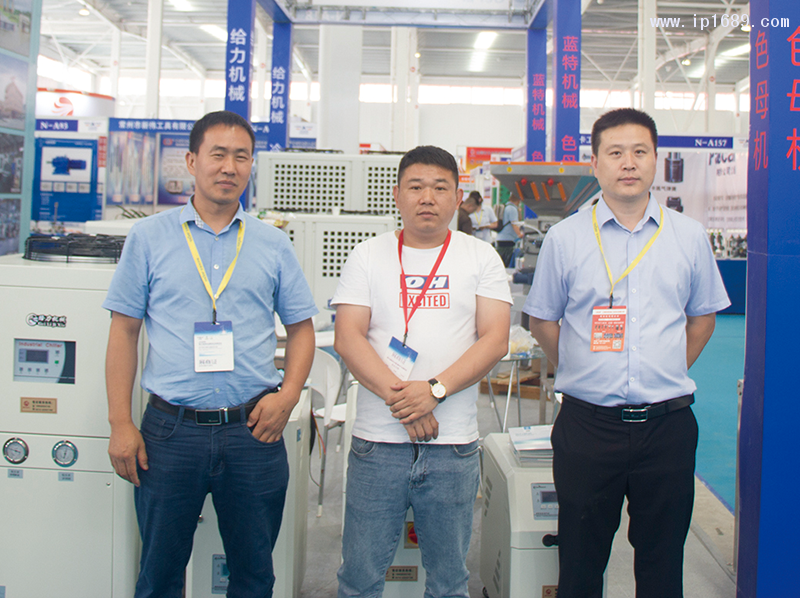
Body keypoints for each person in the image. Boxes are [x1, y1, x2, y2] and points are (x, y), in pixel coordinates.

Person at [103, 110, 318, 598]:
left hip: (253, 430)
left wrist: (287, 396)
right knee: (159, 574)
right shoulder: (148, 238)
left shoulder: (272, 243)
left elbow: (301, 329)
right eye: (217, 154)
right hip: (170, 433)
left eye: (241, 156)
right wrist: (120, 423)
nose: (229, 167)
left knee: (254, 574)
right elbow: (124, 331)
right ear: (191, 161)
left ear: (251, 165)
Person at [523, 108, 730, 598]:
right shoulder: (565, 238)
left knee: (663, 563)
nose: (629, 163)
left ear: (656, 159)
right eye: (615, 152)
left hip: (667, 428)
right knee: (580, 563)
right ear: (595, 164)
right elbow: (542, 321)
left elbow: (702, 319)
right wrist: (581, 369)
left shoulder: (688, 236)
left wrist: (667, 369)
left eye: (640, 151)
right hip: (587, 427)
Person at [332, 145, 512, 598]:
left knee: (449, 582)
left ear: (458, 197)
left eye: (440, 187)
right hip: (377, 444)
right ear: (397, 195)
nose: (427, 197)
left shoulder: (480, 257)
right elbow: (348, 337)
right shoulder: (367, 255)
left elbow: (495, 339)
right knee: (358, 578)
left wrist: (434, 390)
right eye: (415, 187)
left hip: (452, 447)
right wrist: (407, 402)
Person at [495, 192, 524, 267]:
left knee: (501, 262)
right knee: (507, 263)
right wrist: (519, 234)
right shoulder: (512, 209)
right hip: (508, 239)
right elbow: (514, 224)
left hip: (501, 238)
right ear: (519, 200)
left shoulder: (506, 206)